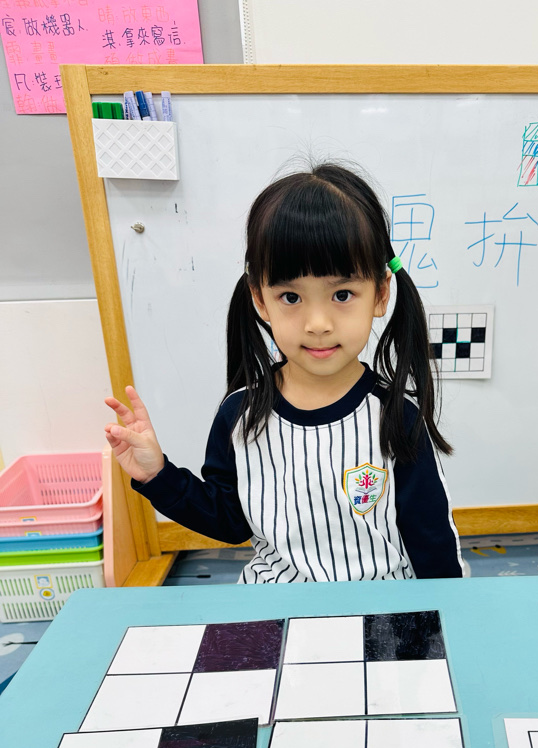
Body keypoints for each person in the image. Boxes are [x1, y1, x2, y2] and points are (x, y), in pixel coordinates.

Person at [105, 163, 463, 583]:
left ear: (381, 293)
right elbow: (230, 521)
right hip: (274, 603)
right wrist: (157, 475)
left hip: (379, 604)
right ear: (260, 299)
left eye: (342, 294)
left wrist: (447, 611)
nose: (317, 323)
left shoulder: (396, 417)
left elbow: (432, 540)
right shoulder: (240, 414)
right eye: (290, 297)